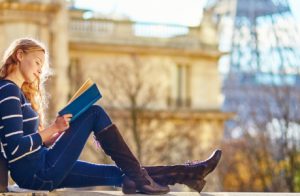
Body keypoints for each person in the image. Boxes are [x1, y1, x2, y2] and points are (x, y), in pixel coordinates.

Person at [0, 38, 222, 194]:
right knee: (94, 112)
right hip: (37, 172)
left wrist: (56, 134)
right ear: (20, 55)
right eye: (38, 62)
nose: (40, 70)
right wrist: (53, 128)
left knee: (123, 175)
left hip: (41, 165)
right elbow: (15, 148)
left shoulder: (14, 92)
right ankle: (154, 178)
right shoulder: (8, 90)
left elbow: (27, 144)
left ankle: (189, 173)